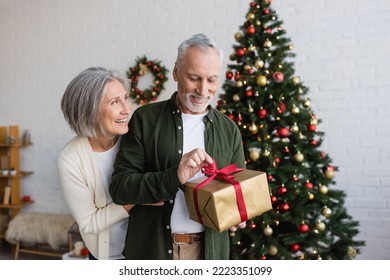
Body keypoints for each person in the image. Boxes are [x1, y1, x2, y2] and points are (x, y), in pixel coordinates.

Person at [110, 33, 246, 260]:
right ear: (176, 72)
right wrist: (174, 176)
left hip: (209, 254)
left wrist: (238, 213)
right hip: (152, 252)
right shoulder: (145, 119)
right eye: (194, 78)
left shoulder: (229, 130)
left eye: (212, 80)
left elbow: (236, 192)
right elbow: (120, 188)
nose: (203, 91)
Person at [58, 67, 161, 260]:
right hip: (107, 257)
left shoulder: (138, 139)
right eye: (115, 102)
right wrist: (136, 197)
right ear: (89, 111)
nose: (127, 109)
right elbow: (88, 223)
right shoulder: (71, 159)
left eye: (125, 98)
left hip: (148, 251)